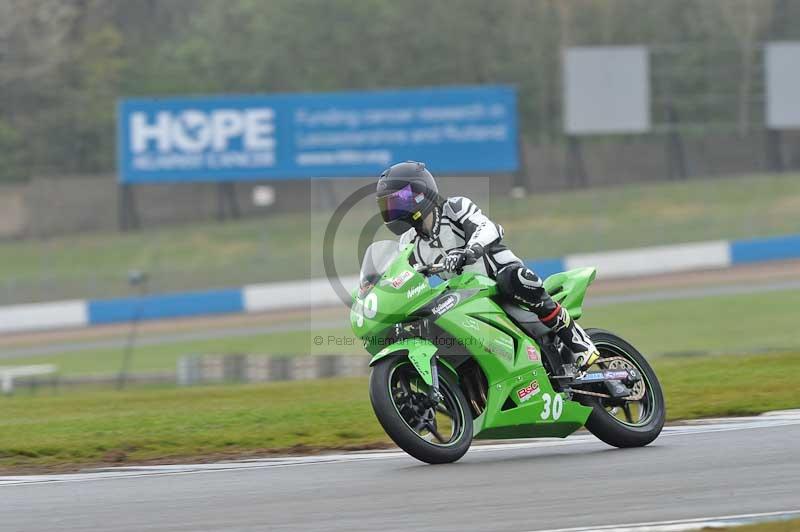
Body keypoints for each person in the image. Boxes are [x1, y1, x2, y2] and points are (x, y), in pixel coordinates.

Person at [376, 160, 599, 370]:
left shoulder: (454, 208)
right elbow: (402, 274)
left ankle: (579, 342)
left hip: (498, 277)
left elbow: (487, 228)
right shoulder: (408, 242)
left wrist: (470, 250)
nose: (392, 209)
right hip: (466, 295)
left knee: (514, 279)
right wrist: (378, 287)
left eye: (397, 200)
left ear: (420, 193)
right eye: (387, 204)